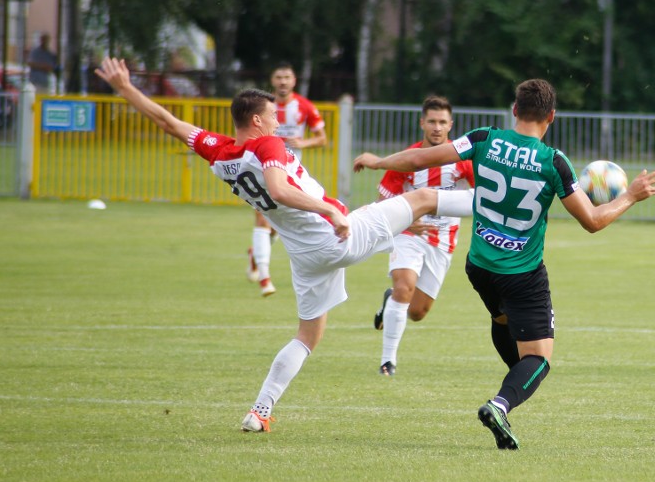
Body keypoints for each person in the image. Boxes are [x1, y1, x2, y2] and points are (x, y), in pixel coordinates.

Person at [93, 57, 474, 434]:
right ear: (257, 121)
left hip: (305, 256)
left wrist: (126, 88)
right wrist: (331, 209)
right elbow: (278, 188)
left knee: (307, 336)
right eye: (273, 116)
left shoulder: (221, 151)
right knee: (424, 197)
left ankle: (260, 411)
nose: (278, 121)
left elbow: (167, 122)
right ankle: (500, 207)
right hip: (339, 234)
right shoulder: (268, 145)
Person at [354, 78, 655, 450]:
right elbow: (593, 221)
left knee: (502, 319)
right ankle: (501, 404)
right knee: (539, 359)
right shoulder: (555, 162)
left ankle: (514, 381)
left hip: (479, 267)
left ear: (514, 110)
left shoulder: (484, 138)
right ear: (551, 116)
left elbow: (420, 158)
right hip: (522, 274)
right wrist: (630, 196)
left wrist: (378, 161)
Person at [371, 95, 475, 376]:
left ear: (451, 125)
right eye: (432, 121)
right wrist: (405, 224)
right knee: (405, 286)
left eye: (442, 122)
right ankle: (387, 361)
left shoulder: (462, 161)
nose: (437, 128)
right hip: (409, 235)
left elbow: (482, 195)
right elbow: (383, 202)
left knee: (417, 312)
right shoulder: (407, 160)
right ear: (422, 123)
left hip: (444, 240)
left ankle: (390, 300)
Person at [247, 62, 328, 297]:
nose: (283, 81)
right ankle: (265, 278)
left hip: (291, 175)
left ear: (294, 81)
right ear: (273, 81)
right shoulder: (261, 107)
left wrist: (304, 143)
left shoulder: (304, 106)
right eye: (279, 77)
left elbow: (322, 138)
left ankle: (255, 254)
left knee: (277, 225)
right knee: (262, 220)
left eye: (287, 77)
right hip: (262, 169)